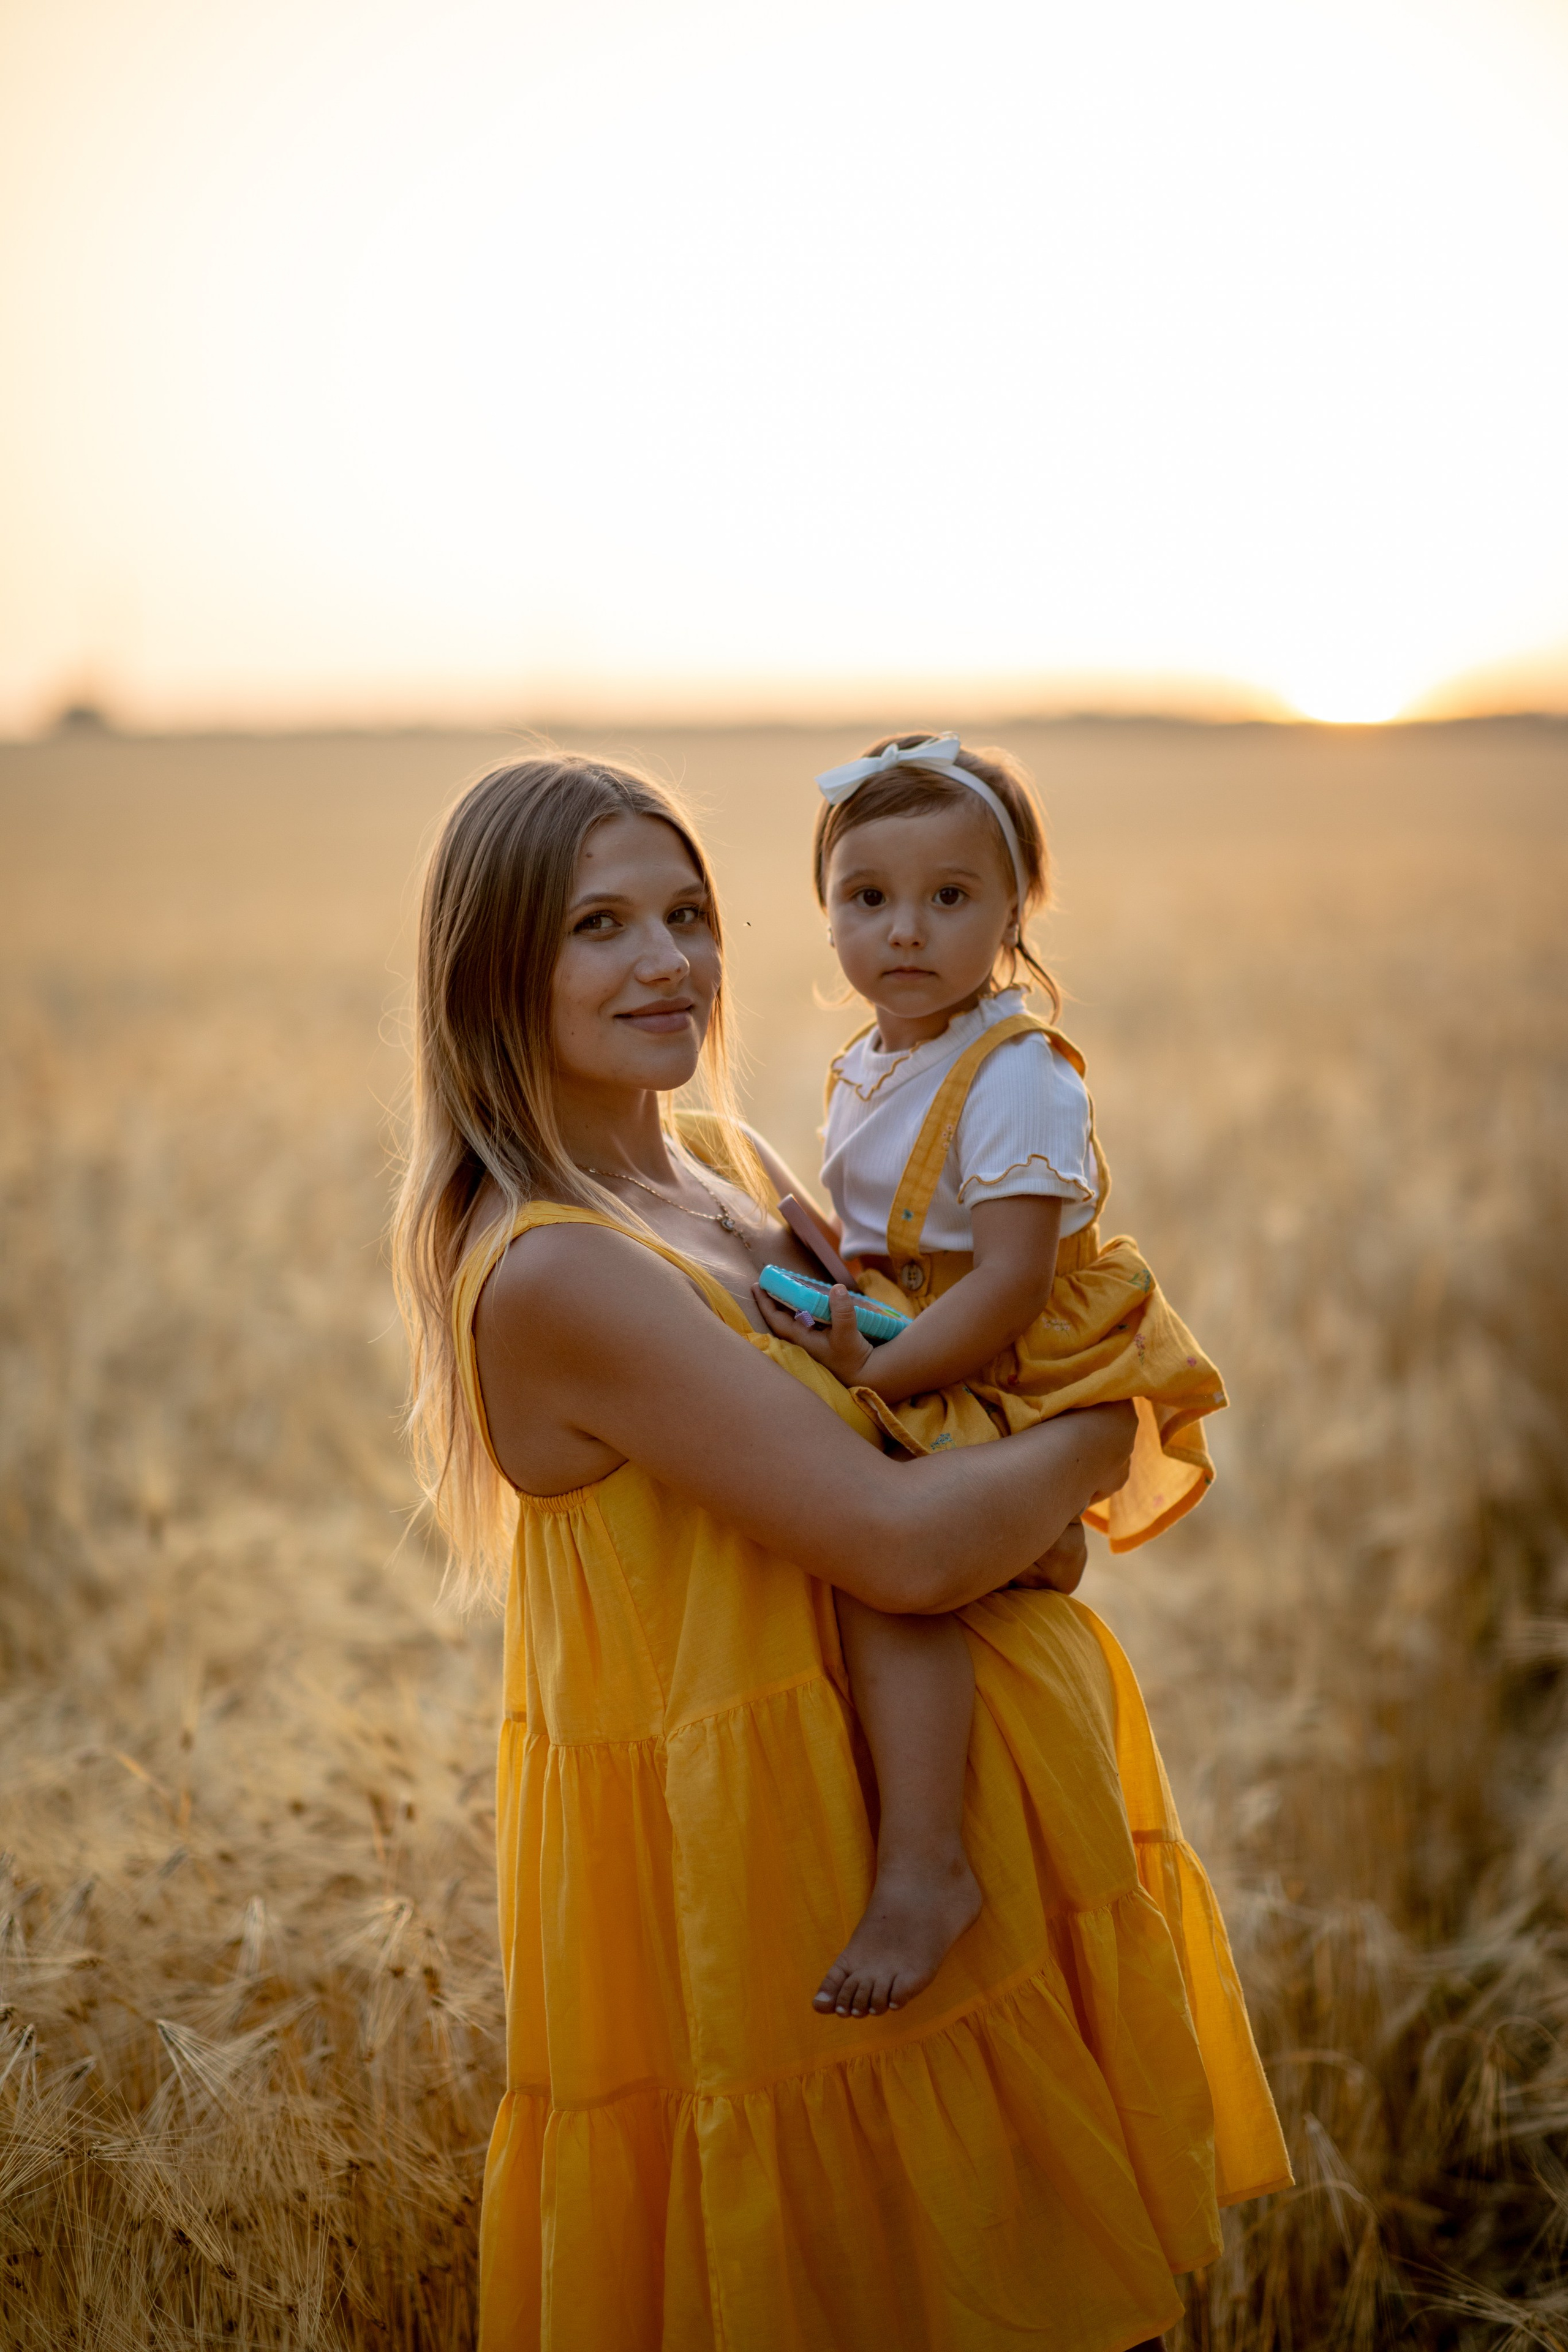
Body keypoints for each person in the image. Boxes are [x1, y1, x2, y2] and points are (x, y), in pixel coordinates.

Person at [391, 751, 1289, 2352]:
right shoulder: (556, 1272)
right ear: (492, 972)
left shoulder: (733, 1178)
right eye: (600, 925)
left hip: (950, 1846)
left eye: (687, 914)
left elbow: (942, 1425)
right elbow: (907, 1542)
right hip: (787, 1887)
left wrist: (1012, 1469)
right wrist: (1103, 1430)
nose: (668, 962)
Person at [752, 732, 1228, 2024]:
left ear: (1015, 910)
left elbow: (1010, 1282)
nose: (903, 929)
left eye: (949, 897)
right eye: (867, 896)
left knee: (883, 1559)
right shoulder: (876, 1053)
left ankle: (927, 1869)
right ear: (826, 910)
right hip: (924, 1325)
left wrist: (882, 1372)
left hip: (1009, 1357)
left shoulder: (1017, 1077)